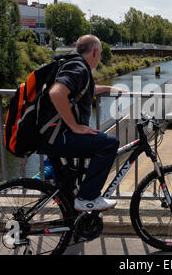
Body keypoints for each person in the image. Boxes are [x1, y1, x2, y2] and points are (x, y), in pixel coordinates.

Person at [38, 35, 124, 212]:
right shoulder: (79, 68)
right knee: (109, 144)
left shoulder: (71, 64)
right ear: (95, 51)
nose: (99, 58)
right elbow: (57, 93)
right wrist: (74, 126)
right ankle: (88, 198)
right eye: (99, 54)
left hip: (49, 134)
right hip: (58, 136)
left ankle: (72, 216)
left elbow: (84, 89)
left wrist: (108, 89)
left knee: (71, 177)